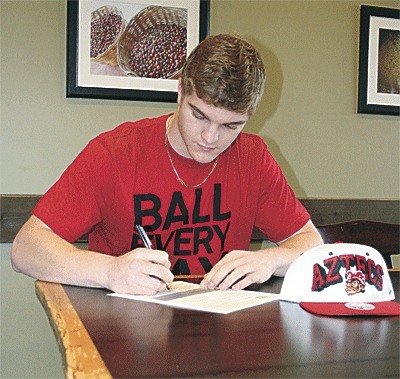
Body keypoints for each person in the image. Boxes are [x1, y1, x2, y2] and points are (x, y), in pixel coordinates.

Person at [11, 33, 323, 295]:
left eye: (231, 126)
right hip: (121, 338)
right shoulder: (115, 154)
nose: (210, 138)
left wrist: (270, 261)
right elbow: (25, 249)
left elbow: (311, 244)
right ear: (179, 92)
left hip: (220, 334)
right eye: (199, 115)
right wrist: (110, 271)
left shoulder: (253, 157)